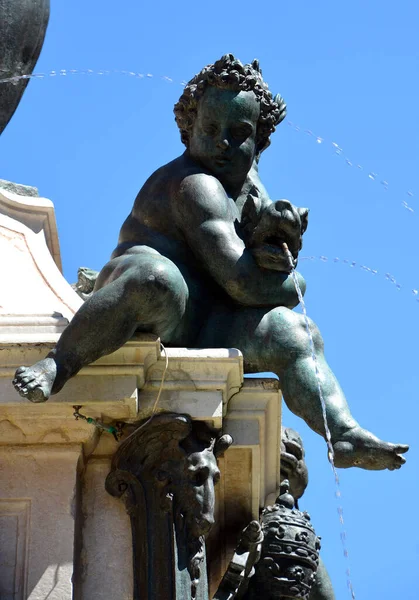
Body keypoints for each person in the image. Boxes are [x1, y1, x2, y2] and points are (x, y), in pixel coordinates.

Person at [13, 54, 408, 471]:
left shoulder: (249, 185)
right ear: (188, 129)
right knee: (158, 279)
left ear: (260, 141)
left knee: (295, 332)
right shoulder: (194, 185)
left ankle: (341, 432)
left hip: (204, 318)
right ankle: (59, 363)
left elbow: (260, 272)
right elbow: (243, 283)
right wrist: (294, 282)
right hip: (150, 295)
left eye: (239, 133)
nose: (223, 144)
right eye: (210, 129)